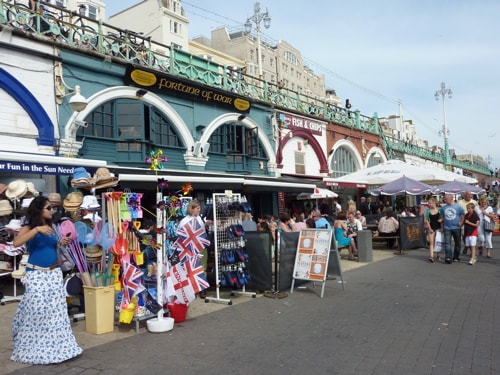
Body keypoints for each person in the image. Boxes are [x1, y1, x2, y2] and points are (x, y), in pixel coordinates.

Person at [11, 196, 82, 364]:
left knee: (55, 313)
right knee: (36, 312)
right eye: (49, 208)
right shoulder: (29, 227)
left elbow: (52, 247)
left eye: (52, 208)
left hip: (54, 273)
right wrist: (36, 230)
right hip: (36, 274)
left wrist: (62, 243)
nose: (52, 210)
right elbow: (16, 243)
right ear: (39, 210)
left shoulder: (53, 227)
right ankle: (32, 348)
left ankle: (57, 348)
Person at [176, 200, 210, 299]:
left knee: (202, 268)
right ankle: (193, 289)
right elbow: (181, 235)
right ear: (192, 209)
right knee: (192, 268)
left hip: (201, 247)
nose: (199, 210)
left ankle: (202, 289)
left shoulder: (199, 218)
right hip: (191, 248)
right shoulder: (185, 221)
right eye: (197, 208)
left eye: (199, 208)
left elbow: (202, 232)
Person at [442, 193, 465, 264]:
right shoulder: (444, 208)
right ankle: (448, 257)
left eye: (446, 199)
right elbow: (442, 217)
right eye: (444, 199)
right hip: (447, 227)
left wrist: (461, 222)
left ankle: (456, 256)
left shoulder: (458, 206)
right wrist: (442, 226)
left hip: (456, 227)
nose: (444, 200)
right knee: (447, 243)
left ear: (451, 198)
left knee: (457, 243)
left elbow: (463, 215)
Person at [424, 197, 443, 262]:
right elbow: (427, 220)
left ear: (434, 203)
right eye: (428, 203)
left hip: (438, 228)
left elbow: (443, 218)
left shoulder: (440, 209)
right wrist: (430, 228)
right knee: (431, 242)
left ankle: (438, 255)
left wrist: (441, 222)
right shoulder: (428, 211)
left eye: (430, 203)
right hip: (431, 228)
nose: (429, 204)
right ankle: (431, 256)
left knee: (438, 242)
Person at [459, 191, 477, 256]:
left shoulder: (474, 202)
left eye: (470, 195)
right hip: (463, 220)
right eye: (467, 195)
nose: (469, 196)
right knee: (464, 236)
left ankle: (471, 251)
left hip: (472, 222)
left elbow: (476, 211)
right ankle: (467, 246)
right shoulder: (460, 202)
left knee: (471, 237)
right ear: (465, 195)